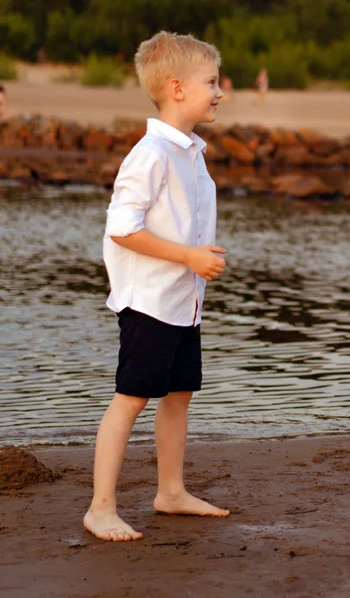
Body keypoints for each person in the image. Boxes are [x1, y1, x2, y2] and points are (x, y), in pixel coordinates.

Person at [84, 32, 229, 541]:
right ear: (176, 88)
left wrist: (193, 261)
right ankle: (101, 506)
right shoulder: (150, 154)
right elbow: (121, 228)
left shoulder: (191, 152)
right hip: (149, 301)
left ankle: (170, 491)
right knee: (131, 397)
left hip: (182, 302)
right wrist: (188, 255)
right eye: (211, 82)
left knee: (180, 392)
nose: (219, 92)